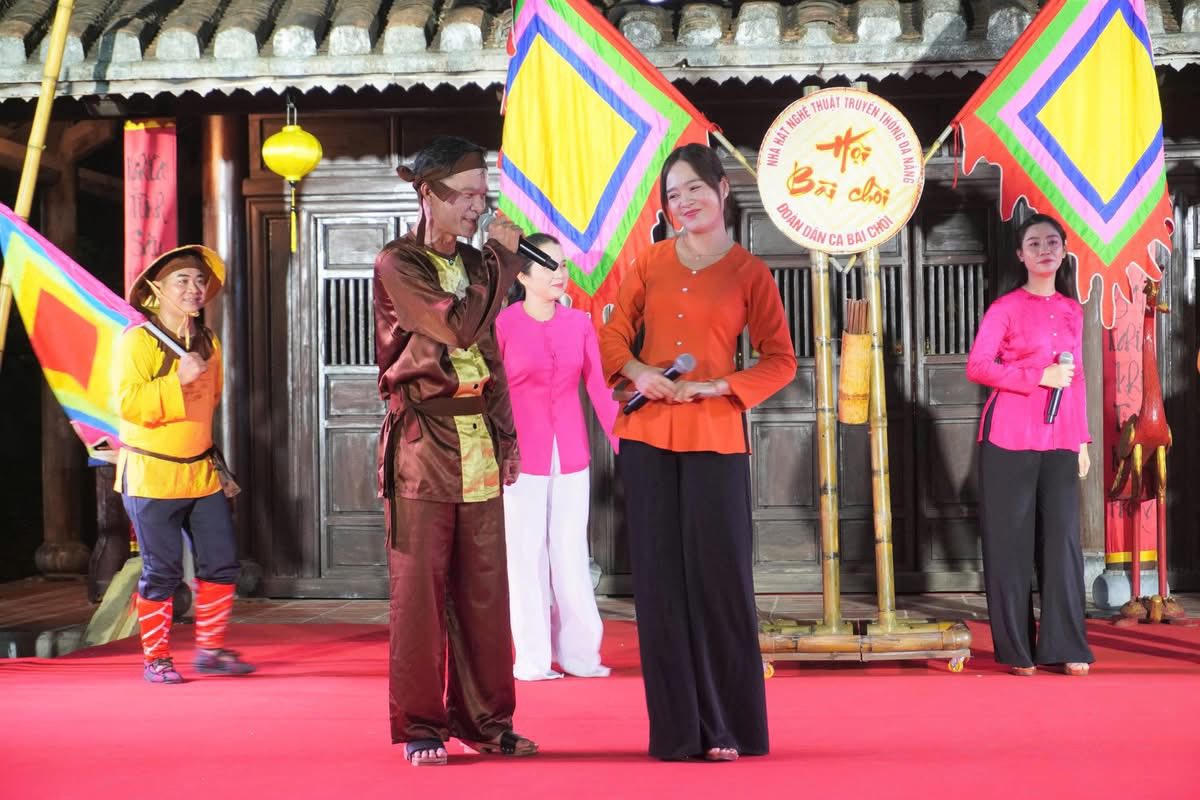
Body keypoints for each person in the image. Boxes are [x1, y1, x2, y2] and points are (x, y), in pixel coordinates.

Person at [597, 143, 796, 761]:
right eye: (672, 195)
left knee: (720, 582)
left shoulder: (749, 273)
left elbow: (780, 360)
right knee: (659, 586)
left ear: (722, 189)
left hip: (715, 437)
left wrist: (720, 386)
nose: (683, 202)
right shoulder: (651, 260)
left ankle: (729, 726)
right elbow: (611, 333)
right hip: (646, 439)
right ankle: (679, 732)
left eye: (693, 189)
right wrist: (638, 371)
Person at [374, 135, 537, 766]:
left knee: (486, 593)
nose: (478, 206)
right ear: (428, 194)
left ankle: (488, 722)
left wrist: (507, 438)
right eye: (465, 195)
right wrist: (501, 259)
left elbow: (489, 355)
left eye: (482, 195)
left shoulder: (477, 263)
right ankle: (421, 725)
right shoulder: (399, 264)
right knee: (419, 594)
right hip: (422, 445)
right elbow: (456, 327)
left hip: (478, 442)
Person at [114, 245, 253, 684]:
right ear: (156, 290)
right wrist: (175, 380)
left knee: (222, 563)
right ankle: (156, 658)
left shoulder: (208, 341)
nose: (195, 289)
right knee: (163, 570)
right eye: (182, 281)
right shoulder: (137, 340)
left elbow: (212, 398)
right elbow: (128, 404)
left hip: (201, 472)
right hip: (152, 474)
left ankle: (210, 650)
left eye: (199, 281)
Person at [966, 212, 1095, 677]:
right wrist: (1038, 376)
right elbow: (978, 366)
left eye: (1052, 242)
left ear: (1064, 251)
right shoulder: (1004, 308)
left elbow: (1078, 378)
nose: (1045, 250)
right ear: (1021, 254)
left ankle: (1065, 645)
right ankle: (1017, 649)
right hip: (1009, 437)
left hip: (1061, 438)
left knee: (1062, 543)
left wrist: (1082, 439)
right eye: (1035, 243)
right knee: (1011, 544)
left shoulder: (1073, 310)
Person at [494, 234, 619, 682]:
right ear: (523, 276)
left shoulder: (579, 324)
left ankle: (581, 655)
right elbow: (492, 394)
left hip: (571, 455)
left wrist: (626, 444)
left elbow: (600, 388)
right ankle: (532, 659)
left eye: (563, 264)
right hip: (518, 459)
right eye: (548, 265)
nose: (559, 273)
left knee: (571, 553)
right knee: (525, 556)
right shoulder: (503, 325)